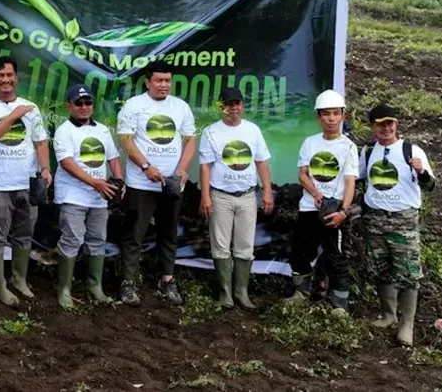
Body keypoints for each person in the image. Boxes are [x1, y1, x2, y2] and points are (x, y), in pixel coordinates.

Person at [117, 61, 197, 306]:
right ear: (148, 82)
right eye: (159, 81)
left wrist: (182, 170)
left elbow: (191, 139)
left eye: (167, 81)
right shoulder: (134, 106)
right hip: (141, 184)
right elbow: (126, 141)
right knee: (134, 234)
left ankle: (167, 281)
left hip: (172, 185)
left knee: (169, 233)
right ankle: (128, 284)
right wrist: (145, 167)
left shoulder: (180, 107)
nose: (164, 85)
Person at [0, 56, 51, 306]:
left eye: (9, 75)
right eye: (0, 76)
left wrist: (45, 169)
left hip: (27, 183)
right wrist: (12, 116)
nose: (5, 80)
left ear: (16, 78)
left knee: (24, 234)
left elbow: (40, 142)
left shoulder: (31, 108)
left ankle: (19, 279)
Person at [362, 102, 435, 346]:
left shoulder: (411, 151)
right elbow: (357, 177)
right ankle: (387, 315)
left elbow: (430, 186)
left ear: (396, 125)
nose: (385, 129)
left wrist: (422, 171)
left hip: (403, 219)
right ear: (373, 127)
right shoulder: (367, 151)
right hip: (375, 218)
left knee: (408, 272)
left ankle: (407, 324)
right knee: (379, 268)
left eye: (389, 123)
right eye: (380, 124)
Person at [198, 87, 274, 309]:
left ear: (242, 105)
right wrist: (205, 196)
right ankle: (225, 293)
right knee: (220, 245)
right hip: (220, 196)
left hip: (247, 196)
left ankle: (242, 292)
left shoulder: (252, 130)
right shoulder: (211, 132)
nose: (233, 108)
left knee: (245, 246)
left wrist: (267, 190)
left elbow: (261, 162)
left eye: (237, 104)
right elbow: (205, 167)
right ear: (221, 107)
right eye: (229, 104)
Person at [52, 83, 122, 309]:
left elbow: (113, 158)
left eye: (88, 102)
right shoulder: (64, 131)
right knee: (72, 240)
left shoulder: (102, 130)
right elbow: (67, 163)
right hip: (73, 196)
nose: (84, 107)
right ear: (69, 106)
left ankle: (95, 286)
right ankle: (64, 289)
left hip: (99, 198)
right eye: (78, 103)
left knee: (97, 240)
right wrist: (94, 183)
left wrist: (118, 182)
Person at [288, 90, 358, 310]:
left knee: (335, 257)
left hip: (334, 210)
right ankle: (301, 292)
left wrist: (343, 212)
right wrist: (316, 194)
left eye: (335, 114)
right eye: (326, 114)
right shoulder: (310, 143)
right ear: (318, 117)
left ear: (343, 116)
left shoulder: (348, 147)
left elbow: (349, 183)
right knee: (299, 251)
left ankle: (339, 305)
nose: (331, 118)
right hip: (309, 207)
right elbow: (302, 174)